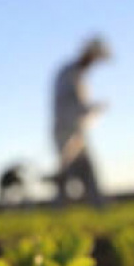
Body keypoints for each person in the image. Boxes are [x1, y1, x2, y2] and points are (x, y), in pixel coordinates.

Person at [51, 37, 110, 208]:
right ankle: (60, 209)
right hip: (65, 131)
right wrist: (92, 108)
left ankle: (99, 206)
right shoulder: (68, 73)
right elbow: (69, 104)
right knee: (67, 172)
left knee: (87, 170)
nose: (94, 63)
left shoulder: (79, 76)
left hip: (77, 132)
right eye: (94, 58)